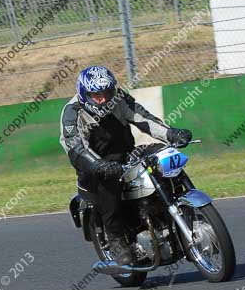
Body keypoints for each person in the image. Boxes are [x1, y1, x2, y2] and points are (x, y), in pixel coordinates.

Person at [59, 66, 192, 266]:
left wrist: (171, 134)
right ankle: (116, 240)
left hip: (126, 153)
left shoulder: (119, 98)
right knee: (108, 183)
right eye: (96, 95)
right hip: (93, 165)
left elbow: (143, 118)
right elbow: (76, 149)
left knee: (162, 153)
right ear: (84, 93)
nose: (103, 99)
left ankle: (184, 209)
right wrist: (99, 166)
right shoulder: (72, 112)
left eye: (107, 93)